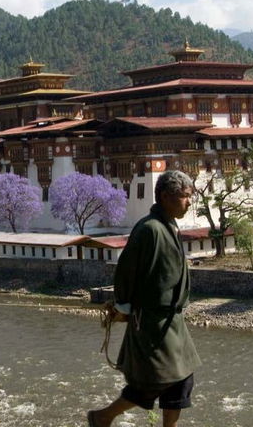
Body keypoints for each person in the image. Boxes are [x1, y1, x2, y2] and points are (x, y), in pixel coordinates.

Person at [88, 170, 201, 427]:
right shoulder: (149, 229)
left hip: (173, 321)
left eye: (189, 196)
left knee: (182, 381)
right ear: (164, 196)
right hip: (151, 321)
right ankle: (102, 416)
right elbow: (126, 273)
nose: (189, 202)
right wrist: (123, 308)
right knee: (151, 383)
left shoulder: (169, 225)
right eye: (184, 196)